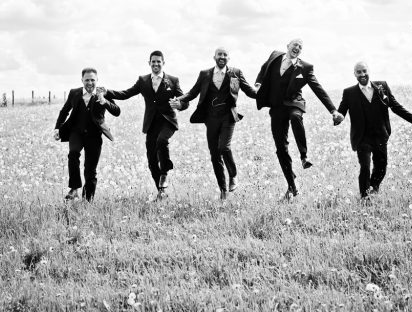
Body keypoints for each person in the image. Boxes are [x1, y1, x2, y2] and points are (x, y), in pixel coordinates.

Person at [255, 38, 345, 199]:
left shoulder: (305, 67)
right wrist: (258, 83)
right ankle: (292, 186)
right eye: (295, 45)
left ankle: (304, 156)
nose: (297, 48)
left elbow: (318, 88)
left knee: (296, 117)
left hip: (294, 103)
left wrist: (333, 110)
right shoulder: (275, 55)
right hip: (276, 107)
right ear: (287, 46)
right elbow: (264, 69)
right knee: (280, 148)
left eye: (300, 47)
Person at [171, 47, 257, 199]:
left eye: (225, 55)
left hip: (228, 116)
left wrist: (263, 91)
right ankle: (223, 191)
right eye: (219, 54)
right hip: (210, 118)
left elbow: (250, 91)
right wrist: (179, 99)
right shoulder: (205, 74)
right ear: (214, 57)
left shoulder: (235, 72)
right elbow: (193, 92)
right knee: (214, 155)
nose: (222, 57)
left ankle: (233, 174)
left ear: (228, 58)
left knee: (224, 147)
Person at [336, 61, 412, 201]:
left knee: (381, 166)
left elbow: (395, 106)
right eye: (358, 72)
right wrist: (337, 117)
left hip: (380, 134)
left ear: (369, 71)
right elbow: (341, 111)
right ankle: (365, 197)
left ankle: (374, 187)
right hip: (362, 137)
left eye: (364, 71)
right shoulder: (349, 92)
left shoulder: (381, 86)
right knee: (364, 166)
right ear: (354, 74)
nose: (362, 74)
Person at [104, 51, 186, 199]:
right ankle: (161, 192)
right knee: (152, 162)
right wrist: (106, 92)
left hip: (168, 122)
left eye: (158, 62)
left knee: (162, 141)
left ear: (163, 63)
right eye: (153, 62)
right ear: (149, 63)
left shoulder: (173, 80)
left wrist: (180, 104)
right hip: (151, 124)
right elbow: (126, 93)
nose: (156, 64)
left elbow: (185, 100)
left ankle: (165, 173)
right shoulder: (142, 80)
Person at [53, 67, 120, 201]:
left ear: (97, 80)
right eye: (87, 80)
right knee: (73, 154)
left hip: (94, 135)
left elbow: (117, 111)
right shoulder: (74, 93)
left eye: (92, 80)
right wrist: (57, 128)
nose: (90, 83)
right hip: (76, 132)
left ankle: (87, 200)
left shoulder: (103, 93)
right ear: (82, 80)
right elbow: (64, 111)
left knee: (90, 169)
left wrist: (105, 101)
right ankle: (74, 188)